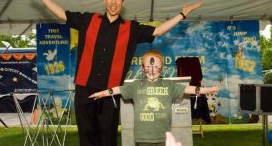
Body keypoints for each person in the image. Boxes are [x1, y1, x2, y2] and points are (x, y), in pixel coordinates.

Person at [28, 0, 203, 146]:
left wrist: (183, 14)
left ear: (122, 2)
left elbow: (159, 30)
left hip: (110, 92)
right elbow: (61, 14)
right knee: (86, 135)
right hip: (84, 88)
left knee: (108, 135)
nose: (113, 2)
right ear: (105, 0)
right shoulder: (88, 20)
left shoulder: (131, 28)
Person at [89, 50, 219, 146]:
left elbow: (187, 89)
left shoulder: (169, 85)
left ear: (161, 68)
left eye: (156, 67)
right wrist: (103, 93)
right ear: (142, 68)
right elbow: (119, 89)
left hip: (163, 136)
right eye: (148, 66)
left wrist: (205, 90)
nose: (152, 70)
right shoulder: (135, 85)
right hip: (143, 137)